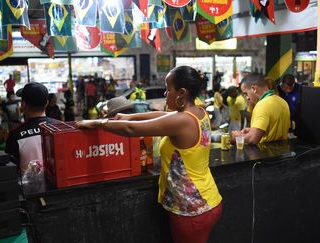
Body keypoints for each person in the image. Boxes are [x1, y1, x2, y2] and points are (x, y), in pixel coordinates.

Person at [76, 66, 222, 243]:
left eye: (168, 89)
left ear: (181, 93)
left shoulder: (183, 121)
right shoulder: (199, 113)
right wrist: (131, 116)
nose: (165, 93)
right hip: (207, 200)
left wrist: (99, 123)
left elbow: (131, 130)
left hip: (191, 208)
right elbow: (163, 115)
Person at [5, 82, 59, 174]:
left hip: (31, 188)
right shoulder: (61, 127)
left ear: (23, 104)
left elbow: (11, 171)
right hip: (61, 187)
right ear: (47, 103)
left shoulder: (15, 135)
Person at [231, 73, 290, 144]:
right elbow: (273, 129)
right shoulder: (283, 102)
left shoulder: (262, 105)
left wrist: (237, 136)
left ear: (254, 89)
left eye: (246, 93)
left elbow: (253, 139)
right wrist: (252, 130)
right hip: (283, 152)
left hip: (266, 154)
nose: (247, 98)